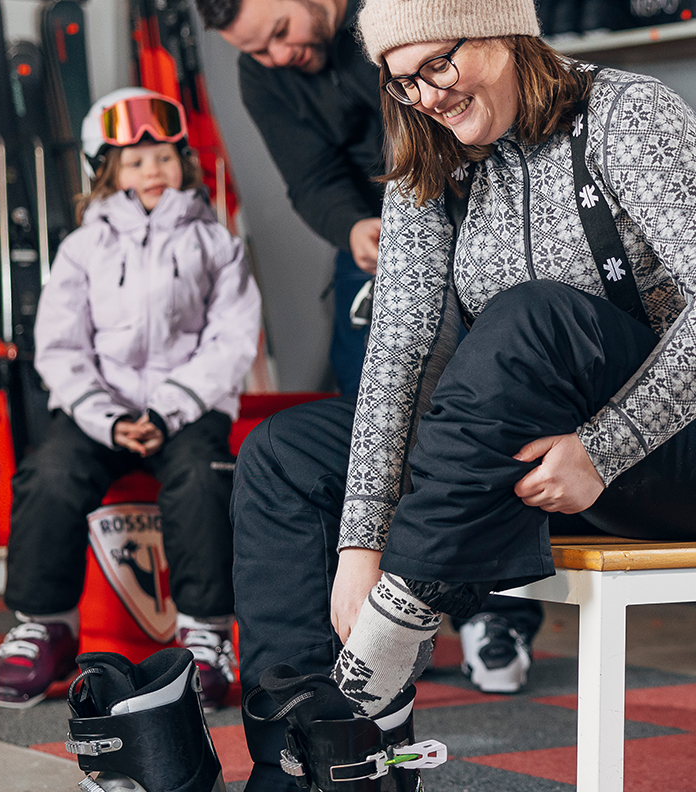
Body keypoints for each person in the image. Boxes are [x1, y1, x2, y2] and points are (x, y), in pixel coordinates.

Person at [227, 0, 696, 786]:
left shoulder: (625, 113)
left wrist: (604, 446)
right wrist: (359, 542)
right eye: (403, 83)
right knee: (286, 452)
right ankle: (312, 759)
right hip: (531, 461)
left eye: (438, 66)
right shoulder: (430, 155)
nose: (427, 97)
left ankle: (383, 648)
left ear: (500, 28)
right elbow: (402, 351)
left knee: (533, 314)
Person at [198, 0, 549, 690]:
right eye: (256, 51)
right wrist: (352, 227)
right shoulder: (262, 72)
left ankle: (496, 609)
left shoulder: (404, 14)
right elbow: (309, 178)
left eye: (277, 34)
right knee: (371, 417)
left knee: (506, 404)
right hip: (373, 233)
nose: (275, 56)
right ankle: (383, 610)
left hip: (479, 202)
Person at [0, 89, 260, 713]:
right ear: (106, 171)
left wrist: (166, 410)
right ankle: (46, 625)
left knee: (202, 478)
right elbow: (59, 346)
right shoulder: (82, 248)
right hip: (98, 410)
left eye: (164, 157)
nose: (152, 171)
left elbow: (231, 340)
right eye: (135, 162)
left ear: (185, 164)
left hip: (186, 409)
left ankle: (206, 634)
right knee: (48, 474)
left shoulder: (216, 243)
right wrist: (107, 418)